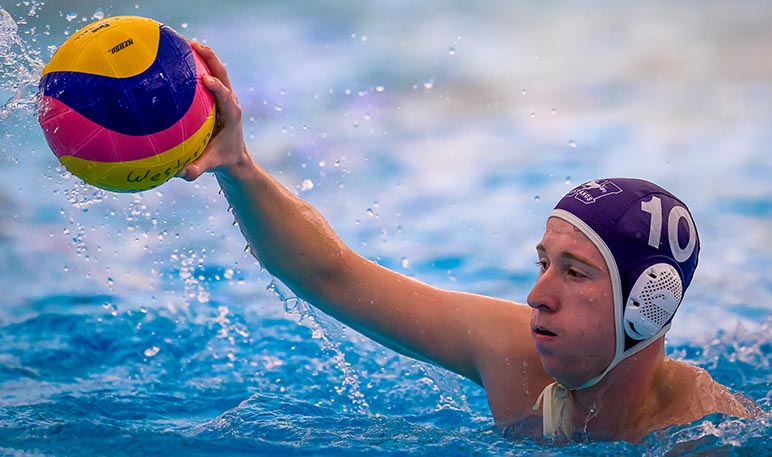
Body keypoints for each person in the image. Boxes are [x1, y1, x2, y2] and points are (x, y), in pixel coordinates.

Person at [177, 42, 758, 443]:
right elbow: (335, 274)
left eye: (576, 272)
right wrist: (240, 167)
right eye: (544, 263)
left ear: (645, 304)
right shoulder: (512, 357)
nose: (537, 295)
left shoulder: (704, 434)